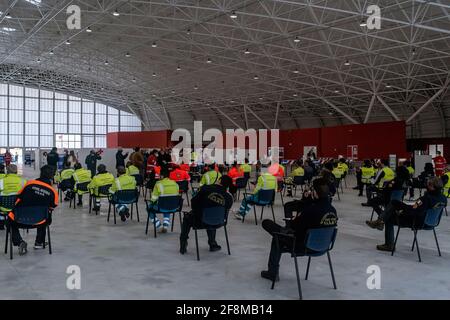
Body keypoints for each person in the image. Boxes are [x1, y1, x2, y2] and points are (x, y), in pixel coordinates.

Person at [260, 178, 338, 282]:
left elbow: (294, 227)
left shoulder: (310, 211)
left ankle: (272, 273)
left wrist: (295, 219)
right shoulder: (332, 210)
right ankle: (272, 272)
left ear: (315, 192)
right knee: (279, 234)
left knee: (273, 232)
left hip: (303, 245)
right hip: (323, 246)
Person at [367, 177, 447, 252]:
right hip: (431, 223)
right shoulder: (443, 198)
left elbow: (414, 211)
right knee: (395, 205)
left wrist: (402, 208)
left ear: (431, 186)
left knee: (390, 215)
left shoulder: (425, 199)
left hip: (417, 222)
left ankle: (388, 242)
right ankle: (380, 221)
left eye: (428, 184)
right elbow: (418, 208)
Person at [6, 165, 58, 255]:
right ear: (52, 176)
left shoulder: (29, 184)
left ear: (40, 173)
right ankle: (39, 242)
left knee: (9, 221)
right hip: (40, 221)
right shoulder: (53, 192)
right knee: (46, 212)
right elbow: (52, 207)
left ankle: (19, 241)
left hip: (19, 219)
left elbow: (18, 198)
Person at [179, 175, 233, 254]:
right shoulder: (229, 197)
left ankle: (183, 244)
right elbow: (226, 210)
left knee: (187, 218)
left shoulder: (205, 188)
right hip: (219, 221)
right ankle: (213, 244)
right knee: (213, 215)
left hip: (200, 222)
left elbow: (193, 203)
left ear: (219, 180)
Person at [146, 168, 179, 233]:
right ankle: (166, 225)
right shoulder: (175, 183)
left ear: (162, 176)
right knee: (167, 204)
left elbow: (153, 198)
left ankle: (159, 226)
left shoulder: (158, 184)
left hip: (162, 207)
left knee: (149, 208)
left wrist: (152, 202)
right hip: (174, 207)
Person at [0, 165, 27, 230]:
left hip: (4, 206)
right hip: (18, 206)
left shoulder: (1, 181)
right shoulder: (23, 181)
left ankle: (1, 222)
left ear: (7, 171)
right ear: (17, 171)